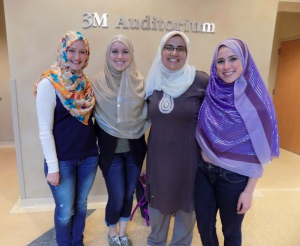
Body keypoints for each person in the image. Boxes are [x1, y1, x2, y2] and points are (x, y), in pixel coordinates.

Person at [195, 38, 280, 246]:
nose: (226, 66)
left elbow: (260, 152)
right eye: (220, 61)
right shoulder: (211, 93)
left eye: (233, 59)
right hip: (204, 173)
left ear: (244, 60)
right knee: (204, 227)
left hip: (234, 179)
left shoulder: (257, 102)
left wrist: (249, 191)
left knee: (231, 232)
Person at [34, 31, 98, 246]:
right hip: (62, 161)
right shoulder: (48, 83)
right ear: (63, 51)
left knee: (81, 205)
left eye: (82, 52)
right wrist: (52, 167)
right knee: (64, 211)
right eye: (72, 50)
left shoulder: (86, 84)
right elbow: (44, 130)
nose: (77, 57)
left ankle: (76, 242)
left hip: (89, 157)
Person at [145, 31, 209, 246]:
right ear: (161, 51)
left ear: (187, 52)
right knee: (156, 219)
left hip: (189, 162)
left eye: (180, 48)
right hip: (159, 161)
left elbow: (217, 116)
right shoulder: (152, 80)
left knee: (185, 218)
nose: (174, 52)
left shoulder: (200, 80)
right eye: (169, 47)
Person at [91, 34, 150, 246]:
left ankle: (123, 233)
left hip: (134, 150)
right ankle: (111, 232)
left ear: (131, 55)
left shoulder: (142, 83)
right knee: (116, 197)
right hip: (110, 153)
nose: (120, 56)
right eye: (114, 51)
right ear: (108, 55)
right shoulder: (96, 83)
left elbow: (151, 111)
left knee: (128, 195)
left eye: (125, 51)